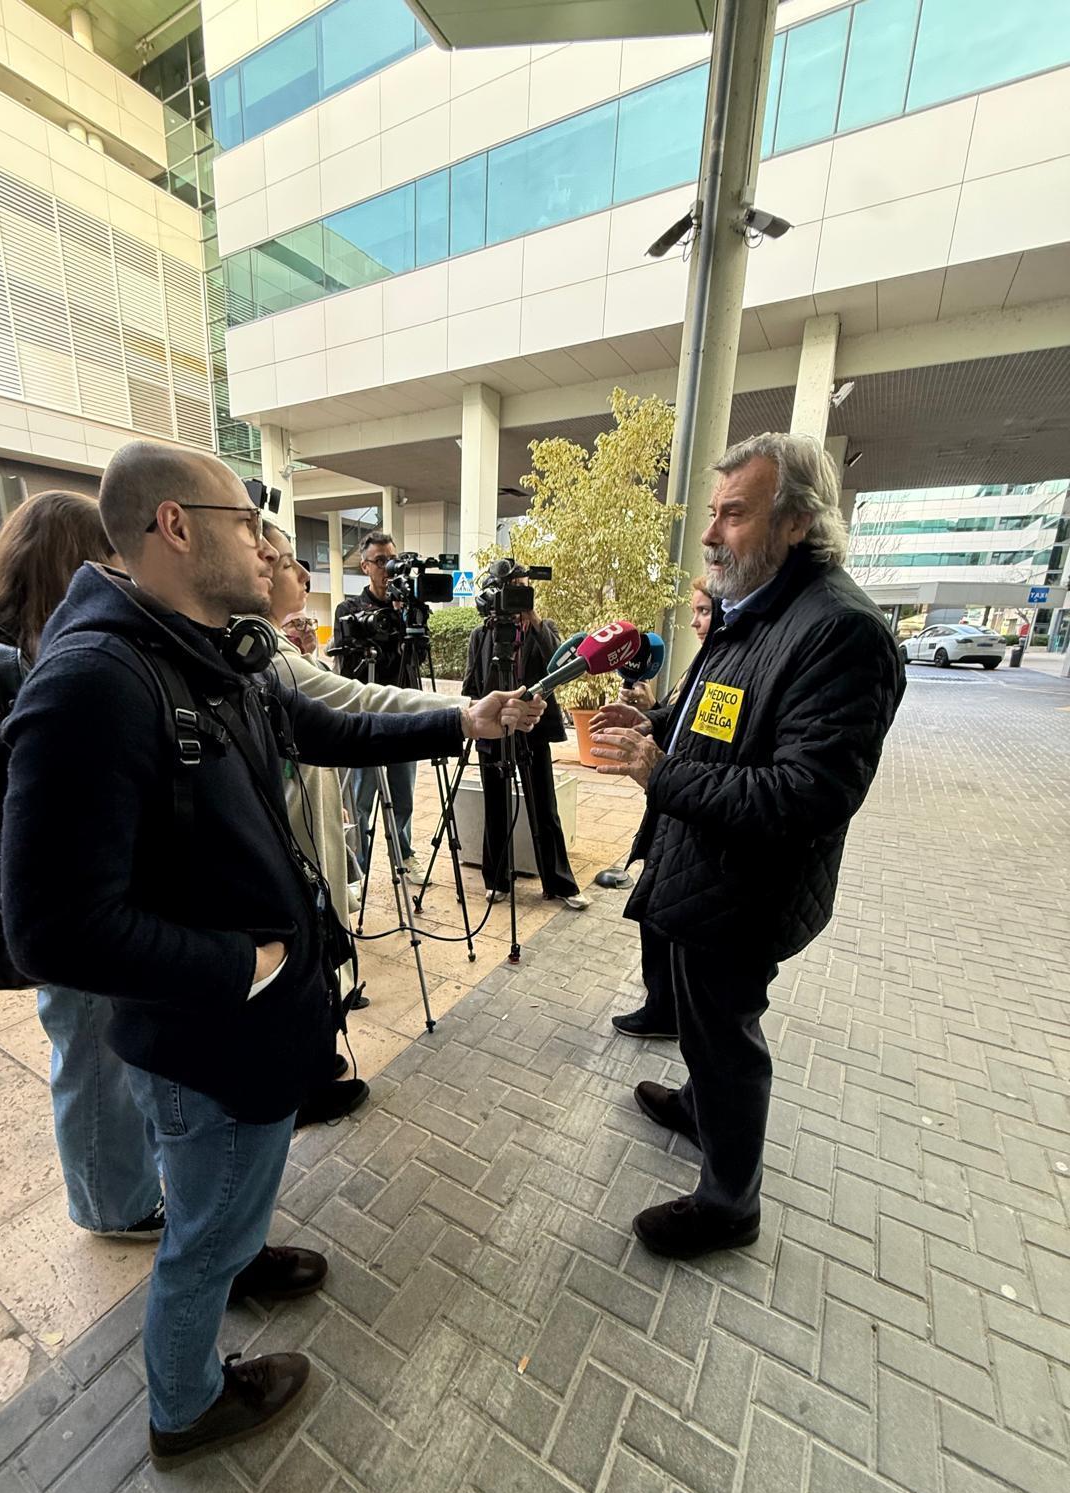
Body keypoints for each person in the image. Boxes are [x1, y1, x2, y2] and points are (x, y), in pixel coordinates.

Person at [0, 442, 544, 1467]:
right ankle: (186, 1404)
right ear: (175, 525)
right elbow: (49, 928)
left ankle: (236, 1255)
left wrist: (460, 717)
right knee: (198, 1231)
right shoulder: (94, 682)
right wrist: (234, 968)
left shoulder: (207, 643)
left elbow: (315, 724)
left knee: (227, 1193)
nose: (266, 541)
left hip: (252, 1027)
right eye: (247, 519)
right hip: (207, 1032)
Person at [591, 432, 904, 1261]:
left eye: (734, 514)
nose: (711, 534)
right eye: (714, 513)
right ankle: (700, 1106)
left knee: (727, 1037)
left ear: (796, 521)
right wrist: (653, 725)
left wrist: (660, 774)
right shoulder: (755, 608)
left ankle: (731, 1203)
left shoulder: (842, 632)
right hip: (704, 871)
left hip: (749, 888)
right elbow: (712, 719)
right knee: (701, 1025)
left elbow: (808, 795)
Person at [0, 492, 163, 1241]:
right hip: (59, 896)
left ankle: (118, 1184)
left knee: (93, 1047)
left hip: (51, 891)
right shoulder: (7, 663)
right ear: (72, 562)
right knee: (90, 1052)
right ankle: (111, 1206)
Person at [260, 530, 467, 1122]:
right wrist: (461, 713)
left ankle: (316, 1052)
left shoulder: (277, 648)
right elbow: (353, 706)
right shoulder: (272, 653)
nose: (295, 574)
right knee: (305, 948)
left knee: (320, 936)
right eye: (278, 561)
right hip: (295, 839)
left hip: (317, 823)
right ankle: (306, 1073)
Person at [462, 607, 587, 909]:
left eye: (523, 589)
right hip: (493, 729)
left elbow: (559, 667)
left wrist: (536, 622)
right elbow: (469, 683)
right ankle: (497, 881)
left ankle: (560, 883)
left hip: (533, 727)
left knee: (544, 805)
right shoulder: (482, 634)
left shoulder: (543, 628)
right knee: (496, 805)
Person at [332, 530, 422, 881]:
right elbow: (347, 668)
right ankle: (359, 868)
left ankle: (405, 855)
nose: (388, 568)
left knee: (403, 796)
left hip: (404, 715)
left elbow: (419, 657)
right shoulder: (349, 610)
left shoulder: (410, 609)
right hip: (367, 717)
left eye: (393, 560)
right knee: (361, 799)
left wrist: (404, 617)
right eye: (380, 561)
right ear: (365, 566)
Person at [620, 577, 713, 714]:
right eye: (694, 612)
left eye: (704, 611)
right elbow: (673, 720)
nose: (693, 623)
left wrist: (652, 707)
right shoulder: (699, 662)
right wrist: (650, 709)